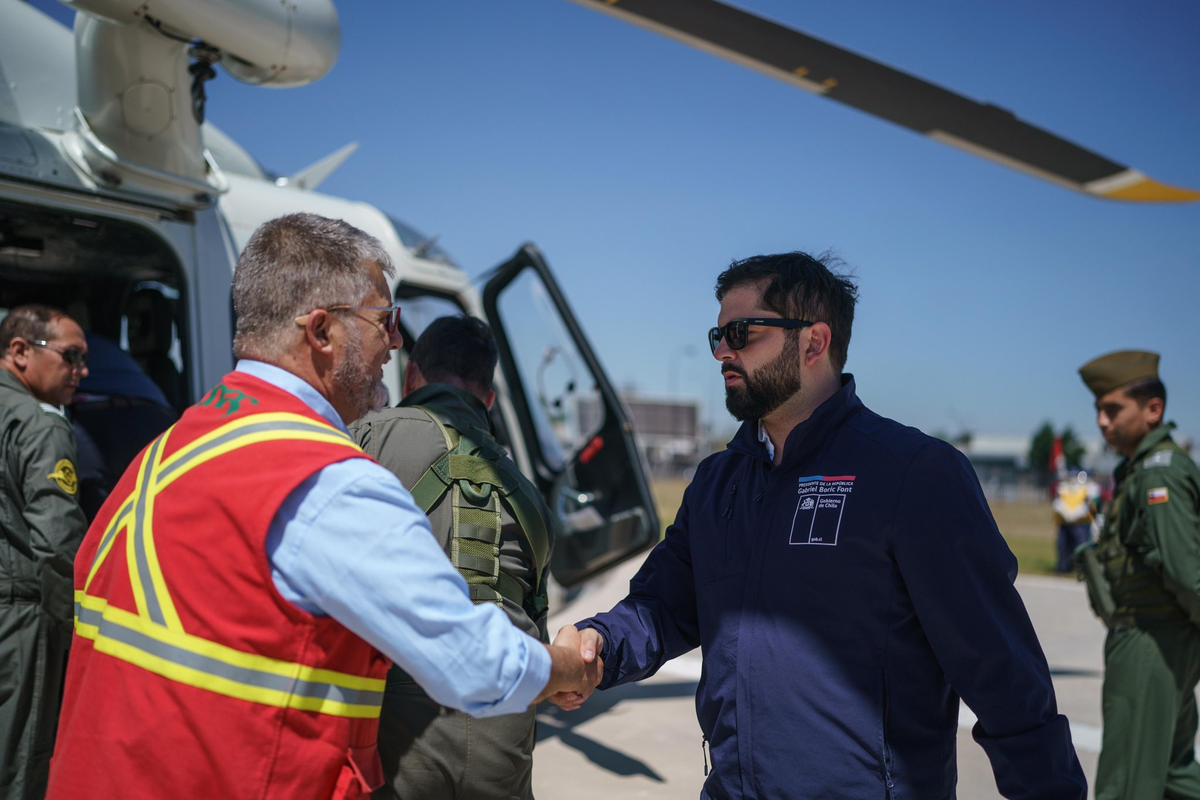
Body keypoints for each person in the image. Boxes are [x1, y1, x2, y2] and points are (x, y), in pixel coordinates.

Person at [45, 213, 600, 799]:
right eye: (385, 321)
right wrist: (569, 665)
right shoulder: (327, 480)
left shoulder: (167, 452)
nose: (396, 343)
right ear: (321, 331)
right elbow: (474, 663)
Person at [551, 252, 1087, 799]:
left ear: (814, 342)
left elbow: (1000, 670)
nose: (722, 352)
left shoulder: (913, 474)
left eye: (741, 332)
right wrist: (597, 646)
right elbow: (662, 606)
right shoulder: (717, 482)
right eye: (717, 335)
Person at [350, 315, 553, 800]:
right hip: (505, 726)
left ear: (411, 376)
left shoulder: (366, 437)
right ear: (490, 400)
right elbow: (538, 642)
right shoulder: (529, 497)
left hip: (402, 722)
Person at [1075, 350, 1200, 800]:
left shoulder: (1156, 475)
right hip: (1159, 638)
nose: (1102, 422)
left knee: (1127, 780)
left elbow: (1185, 572)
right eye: (1099, 411)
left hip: (1152, 639)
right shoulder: (1139, 470)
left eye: (1113, 410)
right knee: (1171, 773)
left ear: (1153, 410)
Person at [0, 305, 89, 800]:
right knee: (19, 771)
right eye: (71, 356)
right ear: (19, 352)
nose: (82, 371)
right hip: (20, 621)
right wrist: (76, 637)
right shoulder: (40, 425)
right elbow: (57, 545)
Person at [1053, 469, 1100, 573]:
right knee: (1063, 546)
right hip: (1065, 523)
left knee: (1081, 547)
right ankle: (1063, 568)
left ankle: (1081, 569)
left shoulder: (1089, 488)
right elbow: (1057, 504)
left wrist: (1093, 520)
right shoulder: (1063, 488)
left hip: (1081, 523)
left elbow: (1092, 506)